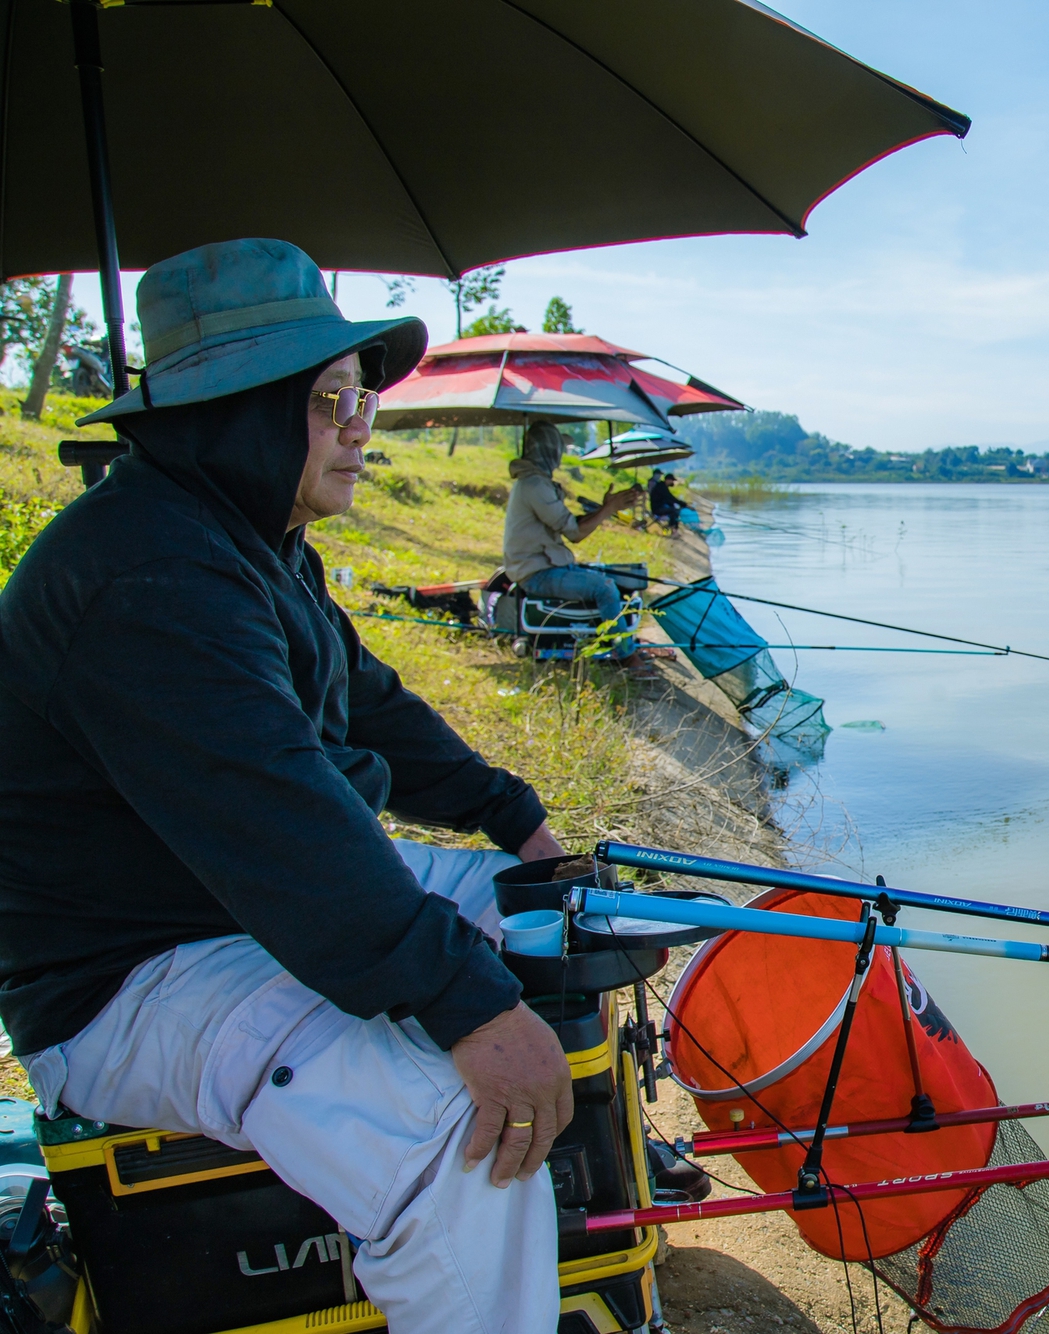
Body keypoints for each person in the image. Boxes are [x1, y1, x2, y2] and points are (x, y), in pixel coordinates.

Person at [0, 240, 575, 1333]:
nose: (360, 425)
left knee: (538, 904)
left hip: (226, 903)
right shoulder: (148, 576)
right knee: (450, 1136)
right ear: (236, 415)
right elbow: (289, 830)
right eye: (326, 401)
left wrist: (518, 821)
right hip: (128, 973)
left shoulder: (250, 540)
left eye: (359, 397)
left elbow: (368, 709)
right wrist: (472, 1008)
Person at [503, 421, 648, 668]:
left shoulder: (536, 483)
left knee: (605, 577)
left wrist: (605, 509)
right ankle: (627, 657)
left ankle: (619, 641)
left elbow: (567, 523)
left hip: (546, 565)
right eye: (559, 448)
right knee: (605, 588)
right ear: (549, 450)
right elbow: (575, 533)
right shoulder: (534, 485)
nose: (560, 455)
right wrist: (609, 509)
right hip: (537, 573)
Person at [648, 468, 682, 533]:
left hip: (660, 505)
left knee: (675, 510)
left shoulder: (661, 485)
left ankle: (674, 529)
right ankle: (673, 530)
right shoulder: (655, 484)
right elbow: (667, 497)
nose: (659, 476)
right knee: (673, 511)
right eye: (672, 480)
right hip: (657, 508)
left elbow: (667, 498)